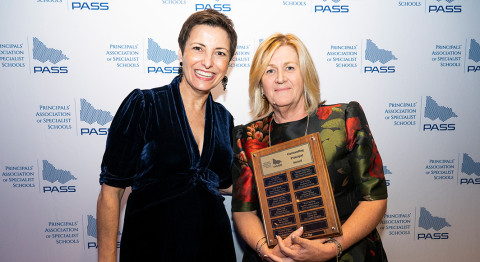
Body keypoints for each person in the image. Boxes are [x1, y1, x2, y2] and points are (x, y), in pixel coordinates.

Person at [231, 33, 388, 262]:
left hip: (345, 251)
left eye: (290, 68)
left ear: (306, 74)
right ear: (260, 84)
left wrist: (332, 247)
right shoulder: (247, 137)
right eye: (270, 70)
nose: (280, 78)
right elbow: (244, 211)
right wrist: (266, 249)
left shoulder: (345, 119)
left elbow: (375, 199)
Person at [96, 9, 238, 262]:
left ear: (229, 62)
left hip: (215, 249)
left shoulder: (224, 119)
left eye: (219, 53)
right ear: (181, 52)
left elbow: (224, 183)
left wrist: (276, 182)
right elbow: (111, 192)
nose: (207, 62)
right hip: (152, 250)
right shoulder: (144, 105)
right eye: (198, 48)